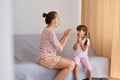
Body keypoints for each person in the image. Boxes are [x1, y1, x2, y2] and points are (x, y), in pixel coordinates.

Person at [38, 11, 75, 80]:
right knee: (72, 64)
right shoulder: (50, 32)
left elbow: (56, 45)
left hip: (45, 58)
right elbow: (60, 48)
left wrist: (64, 36)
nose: (59, 20)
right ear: (53, 20)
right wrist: (66, 37)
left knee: (70, 66)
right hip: (46, 59)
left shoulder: (47, 29)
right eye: (58, 18)